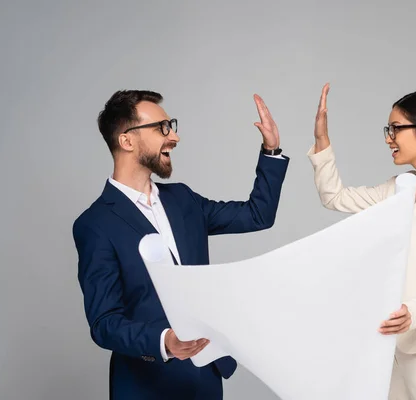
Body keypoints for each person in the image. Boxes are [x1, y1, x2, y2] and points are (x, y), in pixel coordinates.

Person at [72, 90, 289, 399]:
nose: (174, 136)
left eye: (171, 125)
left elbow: (257, 215)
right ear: (127, 140)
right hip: (145, 386)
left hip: (205, 379)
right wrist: (165, 342)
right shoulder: (95, 224)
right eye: (162, 127)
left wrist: (271, 149)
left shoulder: (183, 200)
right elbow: (104, 323)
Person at [306, 83, 416, 400]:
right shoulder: (398, 188)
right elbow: (334, 197)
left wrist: (411, 313)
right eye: (388, 129)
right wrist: (321, 142)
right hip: (388, 348)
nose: (389, 138)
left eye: (396, 129)